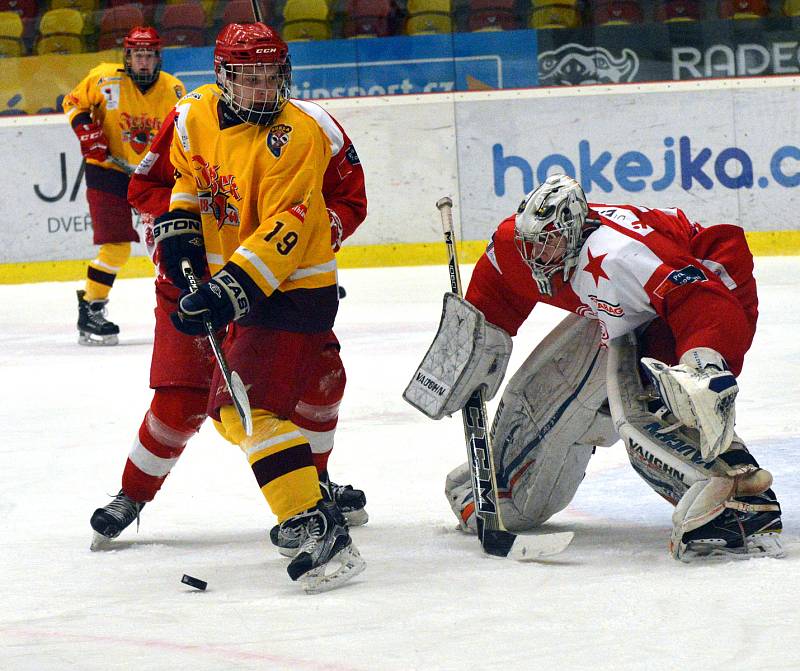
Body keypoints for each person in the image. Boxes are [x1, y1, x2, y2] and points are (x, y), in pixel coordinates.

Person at [91, 22, 368, 593]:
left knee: (253, 407)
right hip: (222, 281)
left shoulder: (297, 135)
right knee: (212, 407)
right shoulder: (192, 116)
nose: (263, 89)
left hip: (286, 289)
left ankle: (315, 515)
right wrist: (180, 236)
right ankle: (303, 510)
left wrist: (227, 290)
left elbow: (287, 226)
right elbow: (187, 181)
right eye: (250, 78)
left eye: (273, 77)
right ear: (223, 77)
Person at [405, 174, 783, 562]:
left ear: (574, 232)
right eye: (531, 241)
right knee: (541, 402)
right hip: (639, 304)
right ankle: (502, 484)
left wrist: (704, 361)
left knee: (650, 411)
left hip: (711, 285)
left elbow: (698, 297)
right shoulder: (514, 246)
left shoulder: (620, 255)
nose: (536, 252)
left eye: (549, 241)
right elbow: (492, 299)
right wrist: (465, 352)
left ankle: (738, 502)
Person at [63, 26, 185, 345]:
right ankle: (91, 307)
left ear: (158, 57)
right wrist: (87, 131)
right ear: (127, 57)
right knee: (116, 247)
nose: (143, 62)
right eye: (137, 55)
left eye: (148, 55)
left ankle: (182, 301)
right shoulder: (105, 79)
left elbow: (182, 134)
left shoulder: (174, 90)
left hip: (150, 177)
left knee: (170, 237)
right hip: (106, 171)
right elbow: (72, 103)